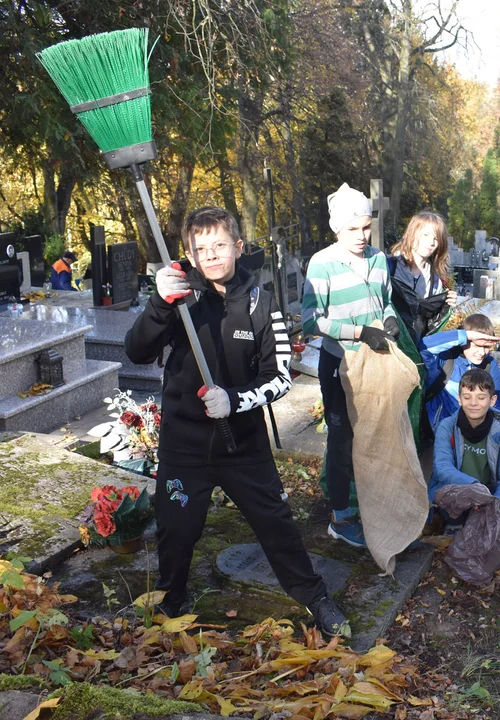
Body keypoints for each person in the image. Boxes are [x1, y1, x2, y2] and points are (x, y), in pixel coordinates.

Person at [125, 206, 348, 636]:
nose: (210, 255)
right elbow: (136, 350)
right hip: (184, 447)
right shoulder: (179, 298)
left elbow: (281, 376)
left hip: (242, 446)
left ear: (238, 248)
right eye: (200, 248)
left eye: (220, 245)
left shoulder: (262, 303)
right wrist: (157, 303)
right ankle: (172, 603)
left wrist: (236, 400)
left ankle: (315, 598)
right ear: (189, 255)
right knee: (176, 529)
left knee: (276, 524)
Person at [302, 182, 401, 549]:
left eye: (365, 227)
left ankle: (373, 504)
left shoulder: (377, 259)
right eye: (351, 229)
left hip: (376, 362)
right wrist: (359, 332)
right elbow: (312, 321)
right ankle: (340, 516)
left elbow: (385, 302)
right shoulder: (322, 263)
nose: (361, 236)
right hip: (339, 362)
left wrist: (388, 321)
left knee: (376, 434)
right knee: (343, 438)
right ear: (336, 229)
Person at [430, 368, 500, 529]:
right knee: (444, 500)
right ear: (459, 399)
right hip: (459, 490)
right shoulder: (446, 427)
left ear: (492, 400)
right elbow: (443, 468)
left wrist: (497, 504)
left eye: (481, 398)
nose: (473, 403)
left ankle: (486, 520)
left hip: (488, 494)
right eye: (467, 397)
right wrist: (473, 488)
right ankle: (457, 523)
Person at [419, 313, 500, 430]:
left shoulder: (489, 364)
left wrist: (486, 417)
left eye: (486, 347)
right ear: (465, 341)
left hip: (473, 437)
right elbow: (424, 347)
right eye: (476, 345)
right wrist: (465, 335)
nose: (482, 353)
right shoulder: (445, 359)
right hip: (441, 435)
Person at [388, 211, 459, 344]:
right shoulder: (389, 267)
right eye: (425, 235)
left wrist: (446, 305)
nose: (431, 242)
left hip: (414, 348)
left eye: (436, 238)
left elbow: (429, 322)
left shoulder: (436, 279)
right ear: (412, 234)